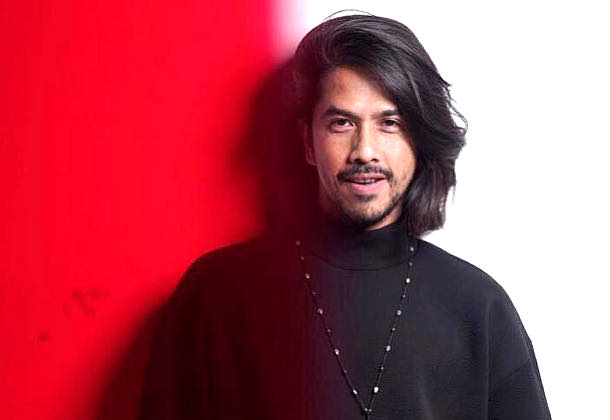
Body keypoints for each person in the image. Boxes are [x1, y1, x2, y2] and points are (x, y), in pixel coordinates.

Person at [140, 13, 551, 420]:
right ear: (308, 141)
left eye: (389, 123)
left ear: (419, 140)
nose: (365, 150)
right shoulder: (215, 296)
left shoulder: (479, 307)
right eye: (342, 123)